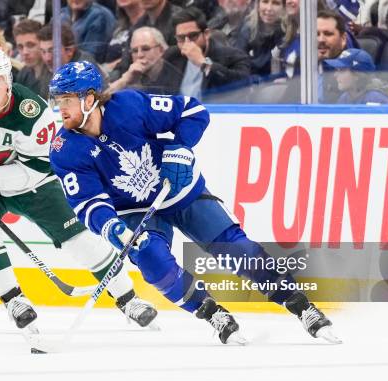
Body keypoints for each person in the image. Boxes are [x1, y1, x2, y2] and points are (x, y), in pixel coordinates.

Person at [48, 60, 340, 344]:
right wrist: (112, 227)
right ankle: (213, 313)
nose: (60, 108)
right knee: (153, 260)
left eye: (66, 99)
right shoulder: (64, 150)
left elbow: (192, 110)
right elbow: (87, 203)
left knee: (238, 250)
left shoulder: (128, 106)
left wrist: (179, 147)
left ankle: (299, 304)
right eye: (57, 100)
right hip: (134, 210)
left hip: (179, 190)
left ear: (90, 99)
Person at [0, 47, 157, 332]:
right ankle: (14, 300)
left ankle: (128, 299)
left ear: (8, 79)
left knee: (79, 238)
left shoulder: (32, 113)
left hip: (31, 183)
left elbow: (38, 168)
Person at [161, 7, 251, 101]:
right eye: (181, 38)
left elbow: (242, 85)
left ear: (206, 34)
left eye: (193, 36)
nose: (187, 43)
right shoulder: (171, 56)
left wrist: (203, 63)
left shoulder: (233, 56)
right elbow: (159, 90)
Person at [107, 26, 179, 94]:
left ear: (161, 50)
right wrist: (124, 80)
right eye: (135, 51)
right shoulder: (132, 77)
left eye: (145, 49)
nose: (139, 55)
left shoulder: (176, 73)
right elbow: (100, 99)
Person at [324, 48, 388, 104]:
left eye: (341, 70)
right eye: (336, 70)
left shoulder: (375, 99)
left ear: (358, 75)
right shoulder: (344, 97)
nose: (335, 75)